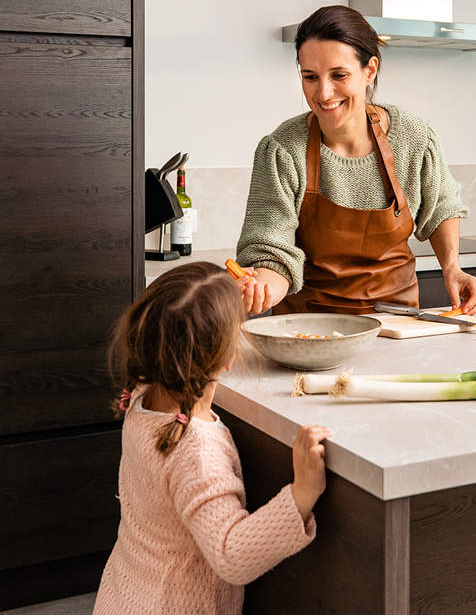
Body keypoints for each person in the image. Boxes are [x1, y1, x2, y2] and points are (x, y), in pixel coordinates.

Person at [94, 262, 329, 615]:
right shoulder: (197, 450)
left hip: (124, 596)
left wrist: (221, 296)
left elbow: (184, 317)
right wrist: (302, 494)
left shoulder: (142, 398)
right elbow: (232, 555)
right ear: (227, 358)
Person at [236, 4, 476, 316]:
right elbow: (273, 253)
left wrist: (453, 268)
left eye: (339, 75)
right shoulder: (283, 150)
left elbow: (441, 207)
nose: (324, 93)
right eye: (310, 77)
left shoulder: (414, 136)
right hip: (308, 329)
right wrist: (262, 288)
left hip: (396, 323)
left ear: (369, 71)